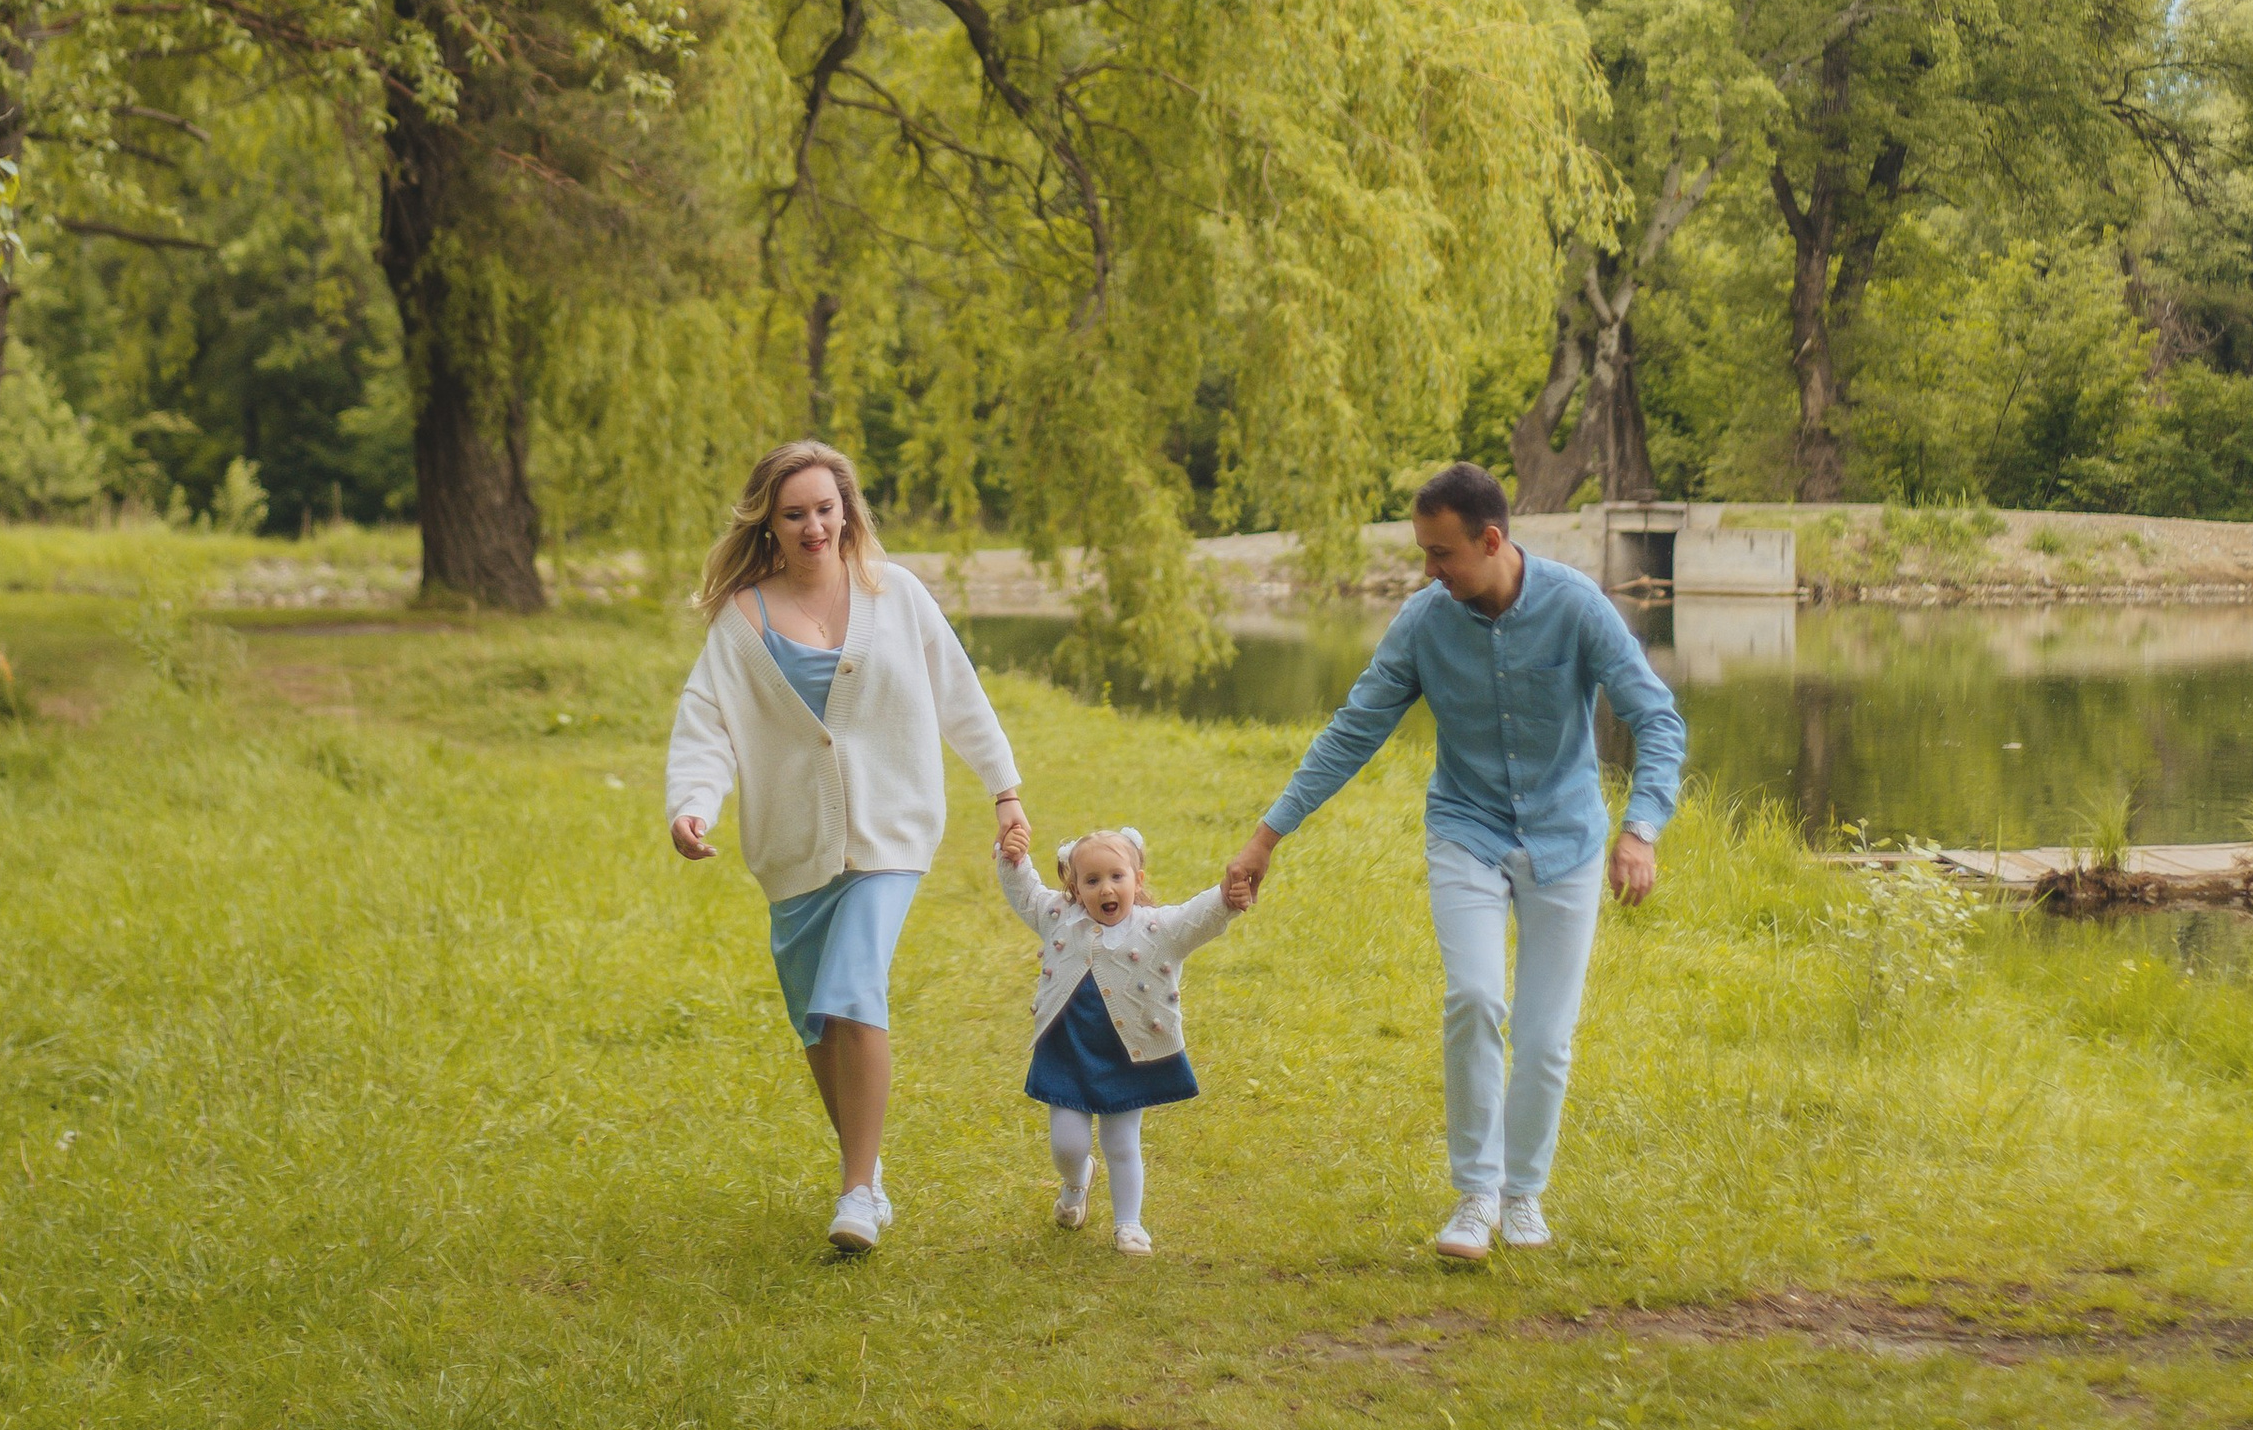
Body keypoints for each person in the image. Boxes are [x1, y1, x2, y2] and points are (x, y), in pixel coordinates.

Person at [1219, 460, 1686, 1264]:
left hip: (1567, 840)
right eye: (1424, 553)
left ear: (1492, 539)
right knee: (1474, 995)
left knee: (1545, 1036)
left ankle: (1523, 1195)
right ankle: (1476, 1194)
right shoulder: (1424, 621)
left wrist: (1641, 827)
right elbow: (1352, 730)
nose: (1427, 570)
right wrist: (1267, 836)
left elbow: (1657, 717)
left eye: (1440, 554)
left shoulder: (1577, 606)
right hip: (1466, 829)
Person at [666, 436, 1028, 1254]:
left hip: (891, 826)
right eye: (794, 513)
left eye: (825, 508)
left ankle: (856, 1191)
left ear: (847, 509)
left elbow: (958, 692)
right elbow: (706, 723)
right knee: (815, 1018)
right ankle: (866, 1170)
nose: (813, 527)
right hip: (794, 844)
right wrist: (694, 804)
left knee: (854, 983)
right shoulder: (741, 619)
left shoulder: (893, 593)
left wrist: (1003, 788)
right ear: (770, 522)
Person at [996, 821, 1239, 1254]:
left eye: (1116, 877)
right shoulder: (1058, 918)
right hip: (1068, 1050)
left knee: (1121, 1142)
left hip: (1130, 1053)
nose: (1106, 889)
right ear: (1074, 887)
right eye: (1092, 881)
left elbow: (1200, 917)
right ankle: (1076, 1181)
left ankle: (1129, 1224)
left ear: (1137, 880)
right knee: (1067, 1144)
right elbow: (1026, 893)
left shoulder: (1159, 929)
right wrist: (1012, 857)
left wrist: (1227, 897)